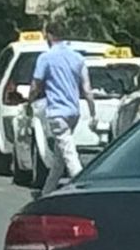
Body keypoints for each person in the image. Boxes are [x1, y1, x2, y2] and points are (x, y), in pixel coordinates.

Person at [29, 24, 95, 196]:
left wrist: (29, 100)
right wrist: (92, 111)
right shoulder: (78, 58)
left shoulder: (46, 58)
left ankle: (82, 191)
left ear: (50, 36)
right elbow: (87, 89)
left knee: (69, 154)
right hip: (74, 112)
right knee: (60, 158)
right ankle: (47, 193)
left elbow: (36, 84)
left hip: (57, 113)